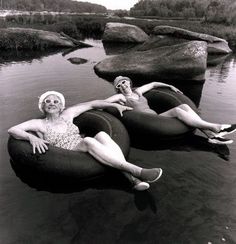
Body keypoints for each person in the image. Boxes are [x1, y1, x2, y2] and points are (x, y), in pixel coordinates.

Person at [8, 91, 163, 191]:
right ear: (43, 106)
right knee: (88, 140)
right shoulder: (39, 124)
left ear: (61, 106)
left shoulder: (68, 115)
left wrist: (115, 105)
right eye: (48, 102)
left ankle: (133, 180)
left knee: (102, 134)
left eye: (55, 101)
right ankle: (138, 171)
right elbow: (13, 129)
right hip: (67, 154)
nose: (52, 104)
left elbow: (92, 104)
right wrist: (31, 137)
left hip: (81, 145)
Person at [105, 76, 236, 145]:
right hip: (148, 121)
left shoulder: (138, 92)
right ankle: (216, 127)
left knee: (184, 107)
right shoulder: (121, 97)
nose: (123, 85)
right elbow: (105, 102)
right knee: (178, 112)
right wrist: (115, 106)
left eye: (124, 82)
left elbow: (154, 84)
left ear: (129, 83)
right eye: (119, 85)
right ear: (118, 89)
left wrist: (170, 86)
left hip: (156, 116)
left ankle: (211, 136)